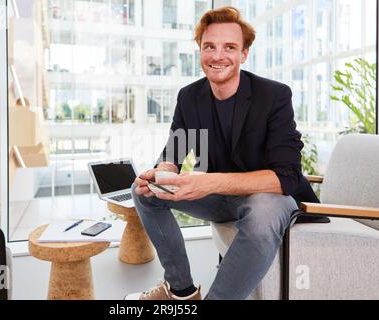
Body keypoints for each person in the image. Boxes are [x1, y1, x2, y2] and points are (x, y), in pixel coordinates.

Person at [126, 6, 326, 300]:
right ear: (200, 51)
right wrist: (161, 173)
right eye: (210, 46)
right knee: (143, 192)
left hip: (271, 198)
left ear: (244, 54)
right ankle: (181, 290)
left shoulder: (274, 96)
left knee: (262, 210)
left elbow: (287, 177)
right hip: (223, 199)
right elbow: (175, 153)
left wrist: (208, 183)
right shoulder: (190, 97)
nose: (218, 55)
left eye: (229, 47)